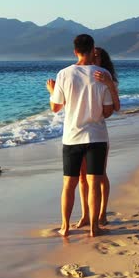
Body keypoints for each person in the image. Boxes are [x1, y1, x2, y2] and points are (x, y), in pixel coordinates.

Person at [46, 34, 114, 237]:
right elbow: (108, 111)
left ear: (75, 51)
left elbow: (55, 107)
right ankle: (94, 227)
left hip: (72, 137)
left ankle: (65, 227)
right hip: (97, 137)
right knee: (94, 184)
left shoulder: (64, 74)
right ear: (93, 49)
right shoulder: (102, 74)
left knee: (69, 184)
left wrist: (51, 91)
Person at [76, 47, 121, 228]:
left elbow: (114, 108)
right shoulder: (79, 76)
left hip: (98, 134)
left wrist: (109, 84)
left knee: (99, 175)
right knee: (81, 178)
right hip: (78, 134)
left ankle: (102, 213)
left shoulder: (107, 79)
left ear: (103, 60)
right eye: (92, 55)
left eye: (97, 57)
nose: (94, 59)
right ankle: (86, 214)